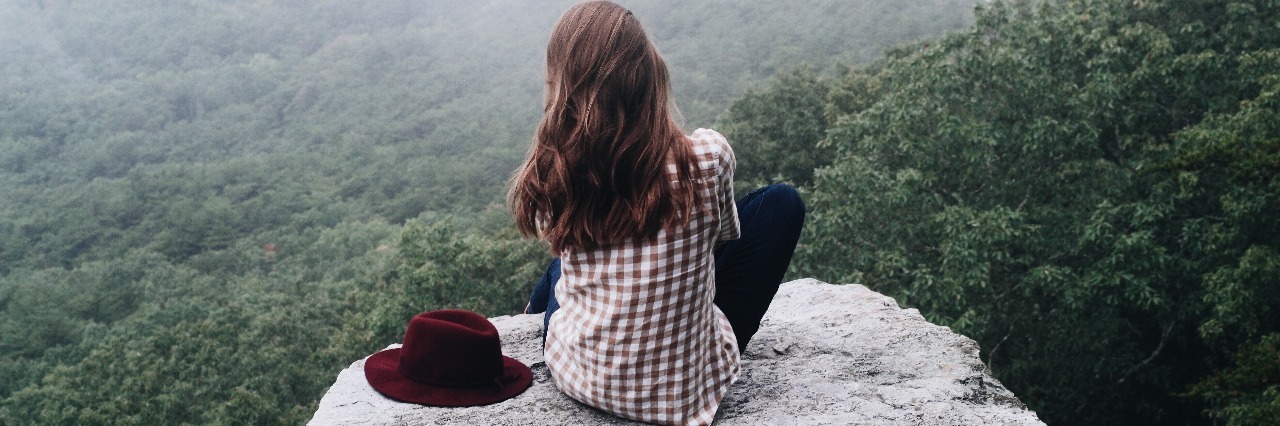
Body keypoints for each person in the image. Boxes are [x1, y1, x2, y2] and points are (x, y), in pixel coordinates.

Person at [509, 1, 804, 424]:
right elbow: (721, 239)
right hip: (685, 396)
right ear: (649, 74)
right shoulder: (708, 156)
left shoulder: (559, 169)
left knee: (562, 263)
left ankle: (534, 310)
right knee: (781, 203)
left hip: (580, 376)